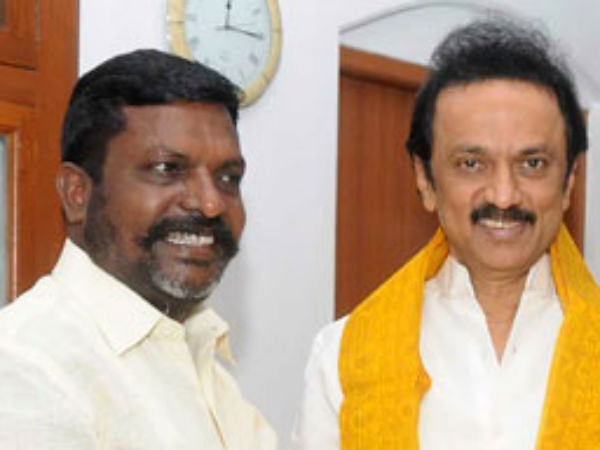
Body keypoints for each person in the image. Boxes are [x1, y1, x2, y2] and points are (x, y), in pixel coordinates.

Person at [292, 18, 598, 450]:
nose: (504, 195)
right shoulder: (345, 356)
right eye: (472, 164)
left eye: (532, 164)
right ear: (425, 179)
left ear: (568, 183)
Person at [0, 49, 276, 450]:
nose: (211, 203)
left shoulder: (211, 373)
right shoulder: (27, 365)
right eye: (167, 169)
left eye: (228, 177)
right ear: (77, 193)